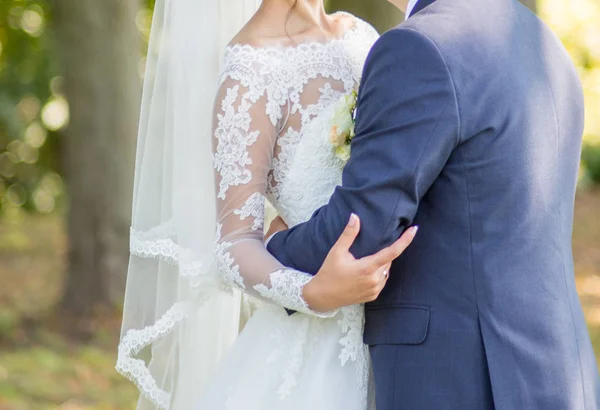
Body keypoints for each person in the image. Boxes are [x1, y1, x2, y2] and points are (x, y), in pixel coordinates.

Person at [267, 0, 600, 408]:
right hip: (558, 371)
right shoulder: (535, 35)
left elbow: (359, 230)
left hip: (462, 375)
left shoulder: (418, 48)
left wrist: (272, 249)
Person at [117, 0, 413, 409]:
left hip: (406, 318)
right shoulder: (251, 70)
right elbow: (234, 243)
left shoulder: (360, 35)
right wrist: (312, 292)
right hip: (319, 352)